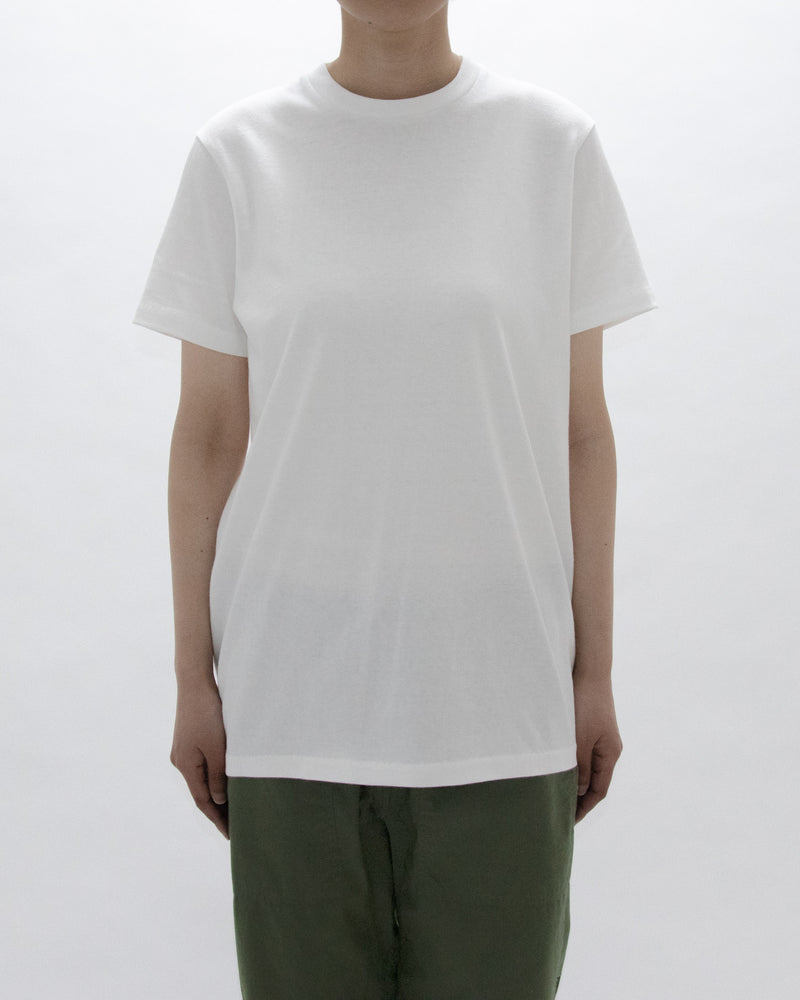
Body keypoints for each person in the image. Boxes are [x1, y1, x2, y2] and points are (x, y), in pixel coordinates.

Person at [132, 2, 657, 997]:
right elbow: (207, 436)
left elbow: (580, 431)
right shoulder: (238, 155)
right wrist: (191, 676)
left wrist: (595, 670)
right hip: (292, 702)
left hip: (500, 700)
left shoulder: (551, 148)